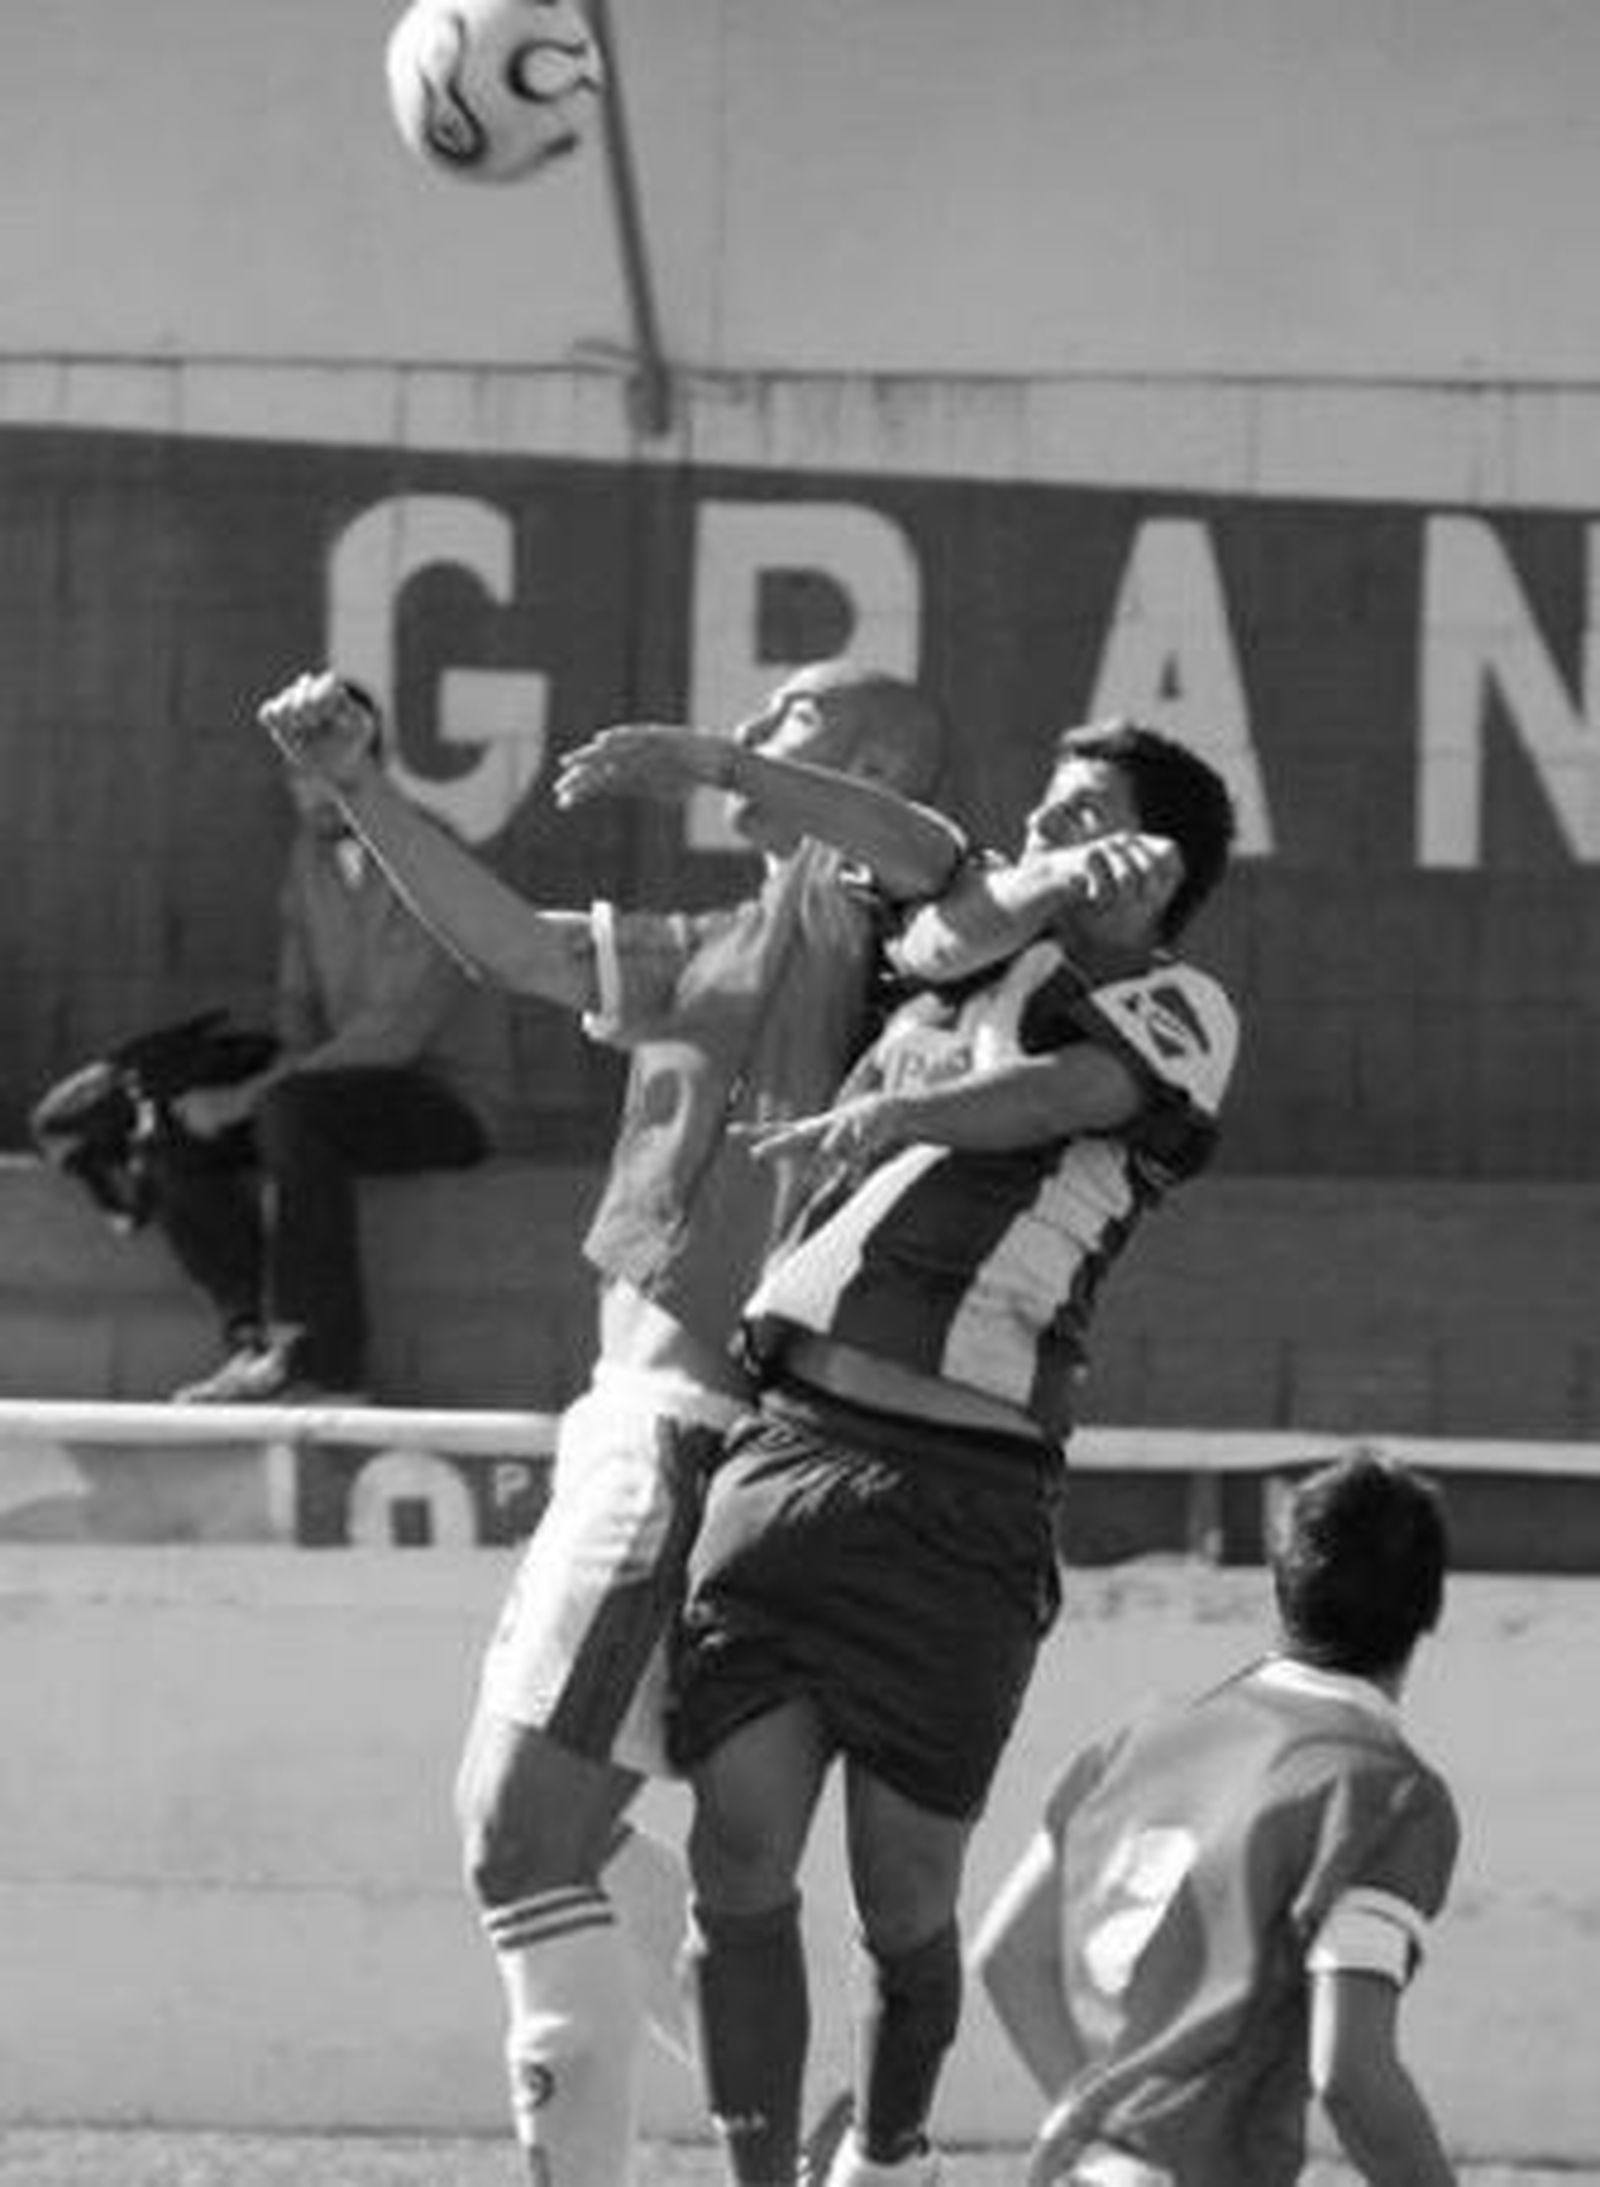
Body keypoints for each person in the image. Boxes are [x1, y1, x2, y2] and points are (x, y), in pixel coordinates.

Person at [257, 658, 960, 2187]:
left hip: (687, 1428)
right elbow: (511, 945)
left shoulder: (873, 912)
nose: (762, 724)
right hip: (641, 1427)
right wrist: (367, 788)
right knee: (537, 1833)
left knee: (519, 1836)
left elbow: (908, 845)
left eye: (790, 713)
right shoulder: (720, 942)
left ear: (861, 752)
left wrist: (723, 762)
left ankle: (791, 2112)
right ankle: (821, 2096)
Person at [558, 714, 1239, 2187]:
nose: (1050, 831)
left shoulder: (1187, 1006)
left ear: (1166, 862)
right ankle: (758, 2174)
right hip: (788, 1451)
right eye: (1045, 807)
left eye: (1089, 815)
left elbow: (1064, 1098)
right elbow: (914, 848)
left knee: (903, 1895)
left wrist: (891, 1110)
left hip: (965, 1498)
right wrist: (720, 765)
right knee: (738, 1856)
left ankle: (891, 2148)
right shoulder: (955, 934)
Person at [971, 1453, 1459, 2187]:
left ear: (1283, 1584)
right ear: (1429, 1609)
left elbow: (1006, 1954)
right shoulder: (1382, 1793)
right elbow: (1351, 2073)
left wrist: (1099, 2132)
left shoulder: (1133, 1741)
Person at [159, 682, 493, 1404]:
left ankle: (328, 1371)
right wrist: (238, 1093)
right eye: (293, 773)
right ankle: (258, 1346)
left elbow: (395, 1032)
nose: (307, 790)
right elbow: (298, 1009)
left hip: (447, 1099)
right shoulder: (306, 863)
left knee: (289, 1112)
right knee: (175, 1125)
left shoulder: (428, 851)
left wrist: (251, 1096)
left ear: (367, 762)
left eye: (321, 767)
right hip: (334, 1085)